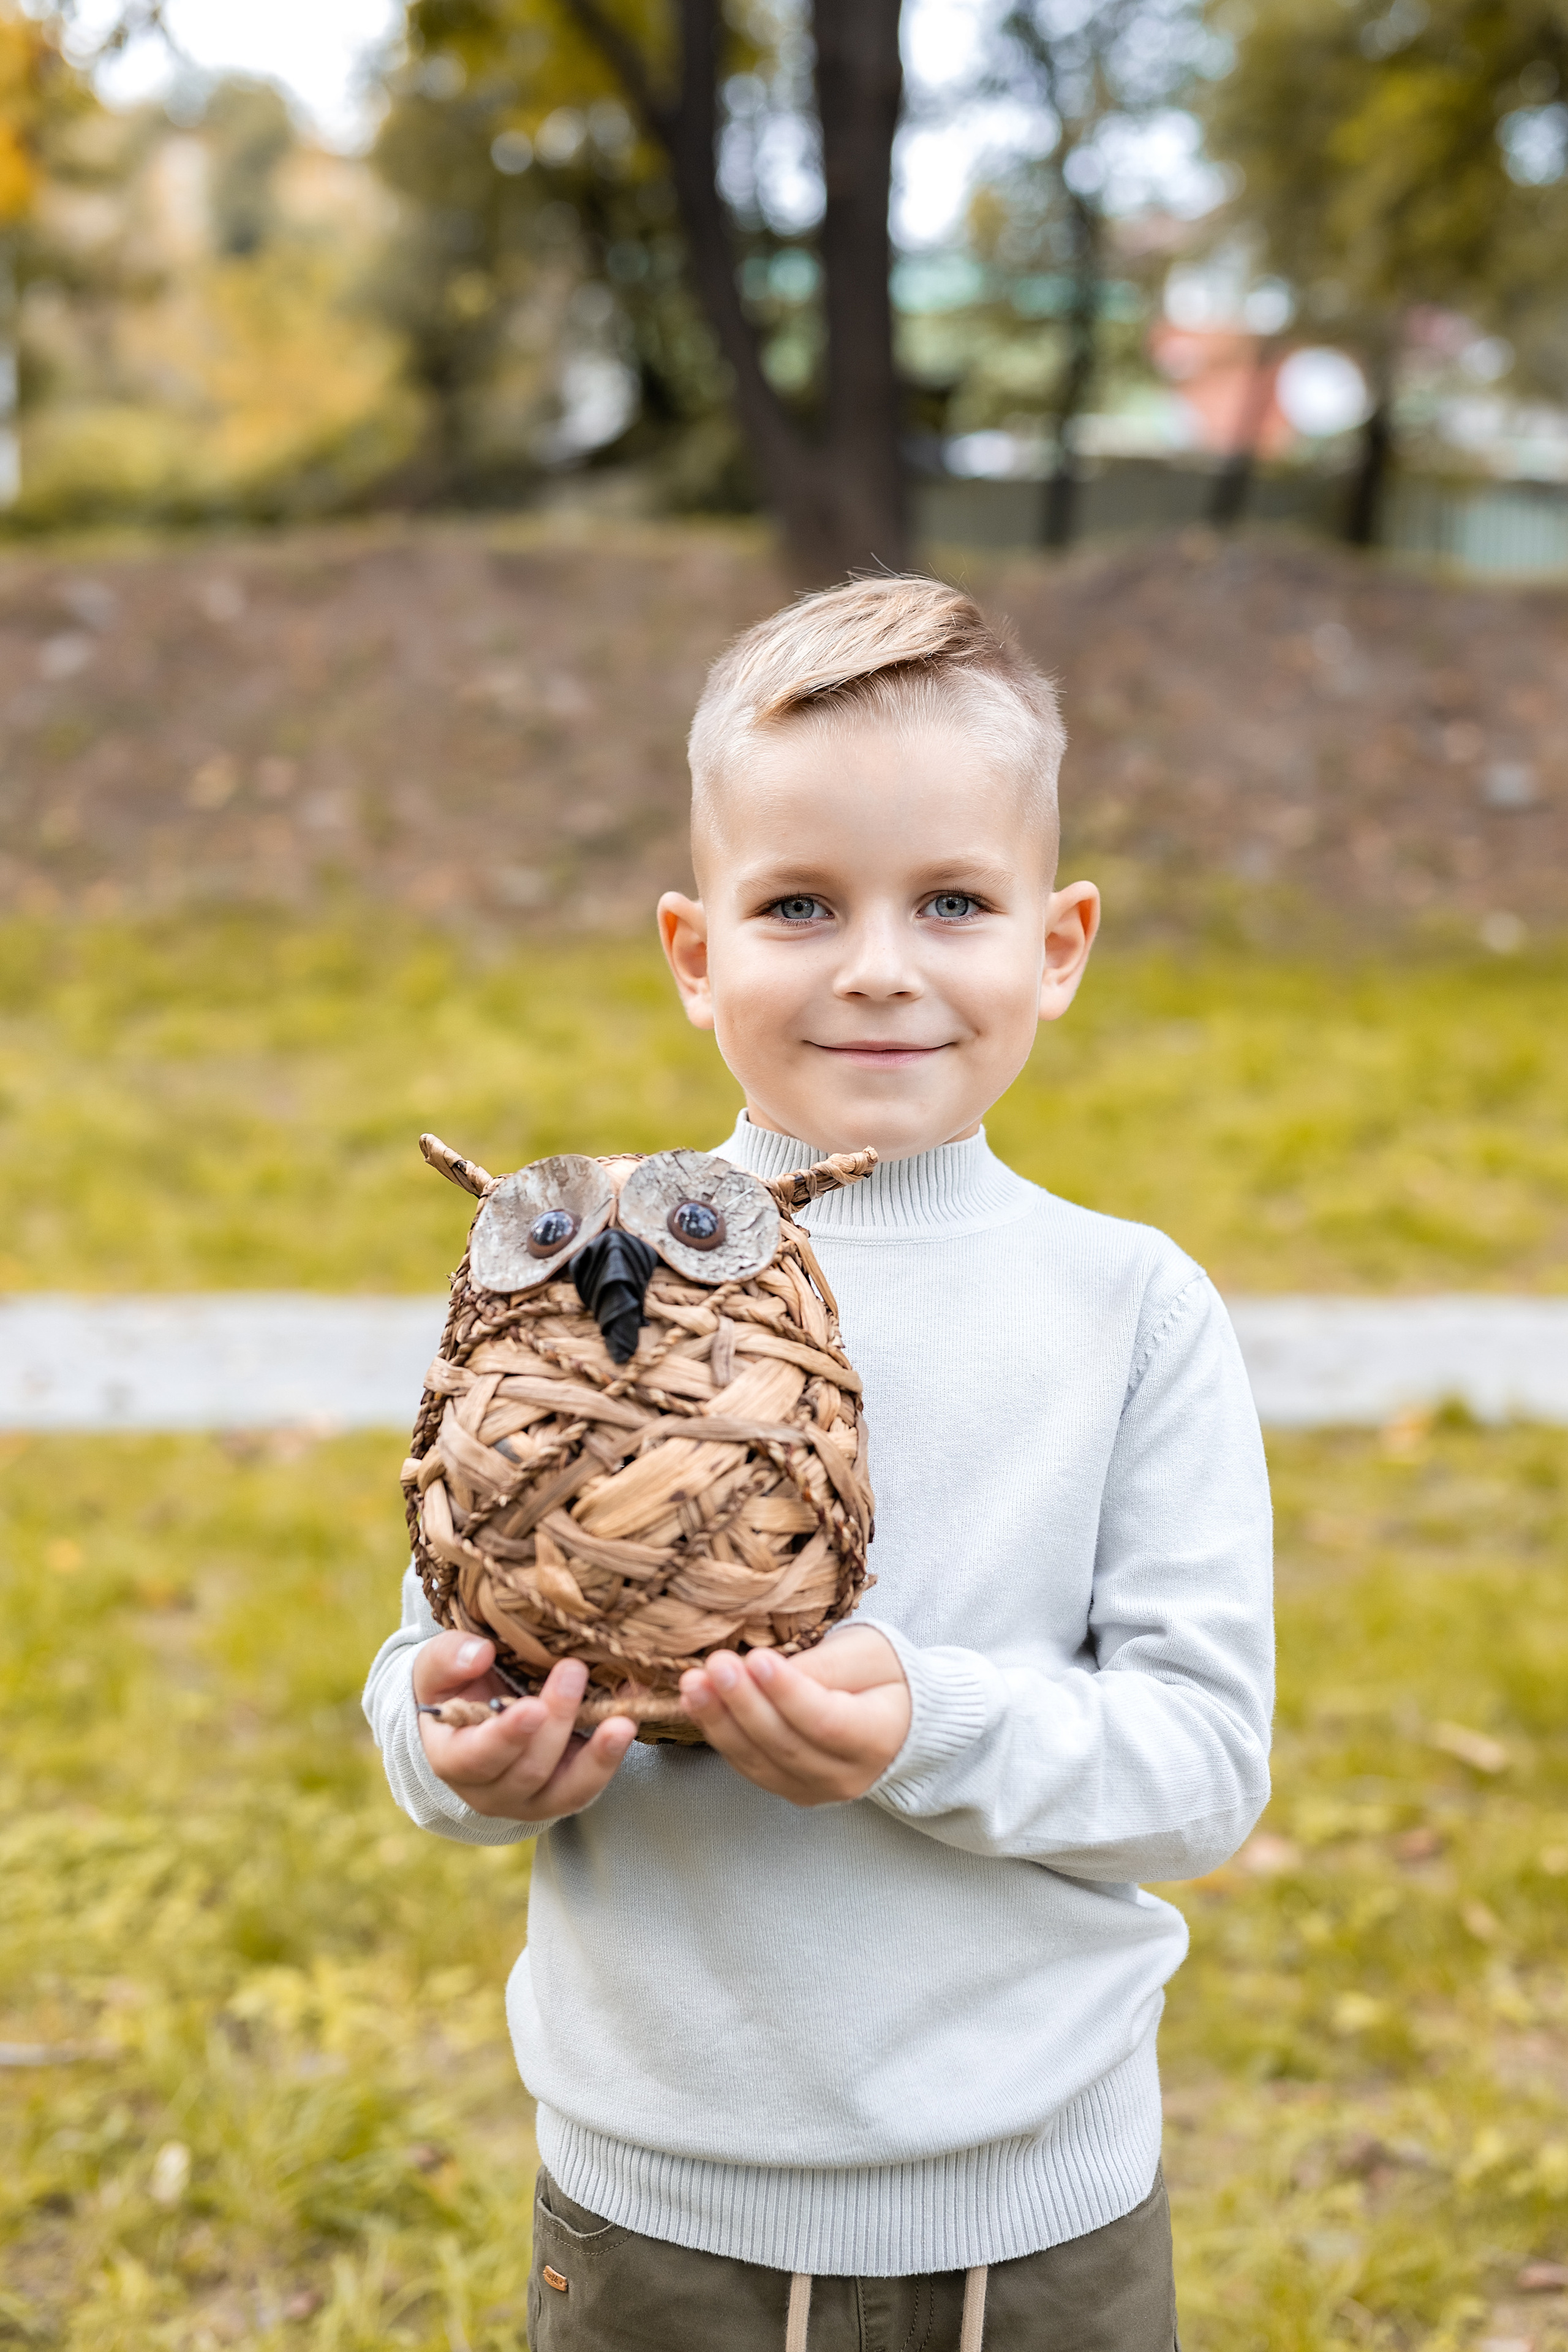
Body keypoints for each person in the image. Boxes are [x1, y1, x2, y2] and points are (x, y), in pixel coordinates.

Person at [363, 576, 1274, 2352]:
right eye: (799, 905)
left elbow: (1201, 1766)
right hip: (657, 2214)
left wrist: (928, 1727)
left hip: (1043, 2222)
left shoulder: (1129, 1309)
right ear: (694, 954)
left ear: (1060, 944)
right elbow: (422, 1676)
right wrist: (468, 1757)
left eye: (953, 902)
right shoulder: (579, 1275)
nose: (877, 965)